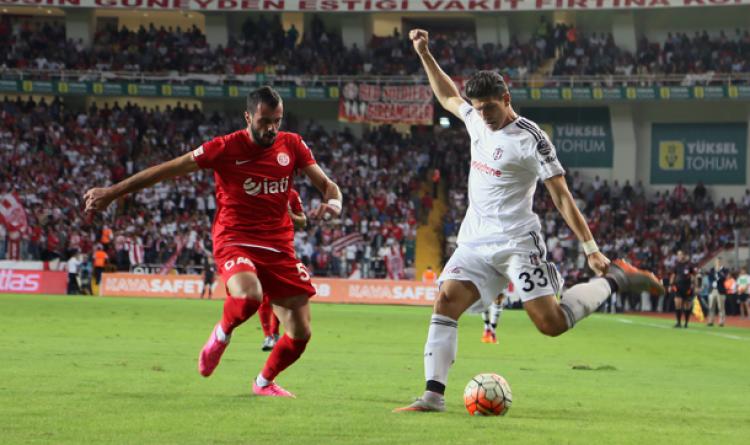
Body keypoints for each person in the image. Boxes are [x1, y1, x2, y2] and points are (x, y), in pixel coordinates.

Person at [394, 29, 664, 413]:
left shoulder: (532, 140)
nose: (483, 115)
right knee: (445, 301)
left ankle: (614, 278)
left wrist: (591, 249)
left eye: (489, 107)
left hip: (518, 242)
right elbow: (448, 96)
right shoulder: (474, 119)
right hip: (475, 241)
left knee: (550, 324)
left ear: (506, 99)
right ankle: (433, 396)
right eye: (479, 107)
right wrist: (424, 53)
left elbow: (561, 195)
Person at [84, 86, 343, 398]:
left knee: (301, 333)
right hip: (235, 238)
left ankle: (263, 384)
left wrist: (333, 206)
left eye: (277, 120)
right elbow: (167, 170)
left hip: (278, 246)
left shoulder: (292, 145)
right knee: (249, 296)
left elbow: (328, 186)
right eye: (264, 121)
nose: (271, 128)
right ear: (248, 117)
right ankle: (221, 335)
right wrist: (111, 193)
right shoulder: (224, 148)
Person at [259, 186, 307, 351]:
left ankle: (275, 333)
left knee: (281, 295)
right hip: (261, 248)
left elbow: (303, 221)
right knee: (264, 296)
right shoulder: (259, 189)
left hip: (283, 250)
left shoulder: (292, 194)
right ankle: (268, 336)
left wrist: (290, 215)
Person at [670, 250, 696, 328]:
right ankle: (678, 322)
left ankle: (686, 323)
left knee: (687, 306)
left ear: (684, 255)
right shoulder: (676, 265)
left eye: (680, 255)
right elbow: (673, 275)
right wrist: (670, 285)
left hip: (687, 288)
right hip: (678, 287)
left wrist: (695, 285)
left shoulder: (689, 265)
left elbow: (694, 276)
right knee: (677, 303)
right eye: (678, 255)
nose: (679, 256)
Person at [707, 257, 729, 327]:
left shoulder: (724, 270)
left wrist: (718, 274)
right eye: (717, 261)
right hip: (712, 289)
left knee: (721, 307)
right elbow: (710, 277)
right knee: (711, 306)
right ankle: (711, 320)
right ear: (715, 262)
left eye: (719, 261)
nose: (718, 263)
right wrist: (714, 280)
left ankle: (721, 321)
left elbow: (724, 278)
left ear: (721, 262)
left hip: (720, 290)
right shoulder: (712, 269)